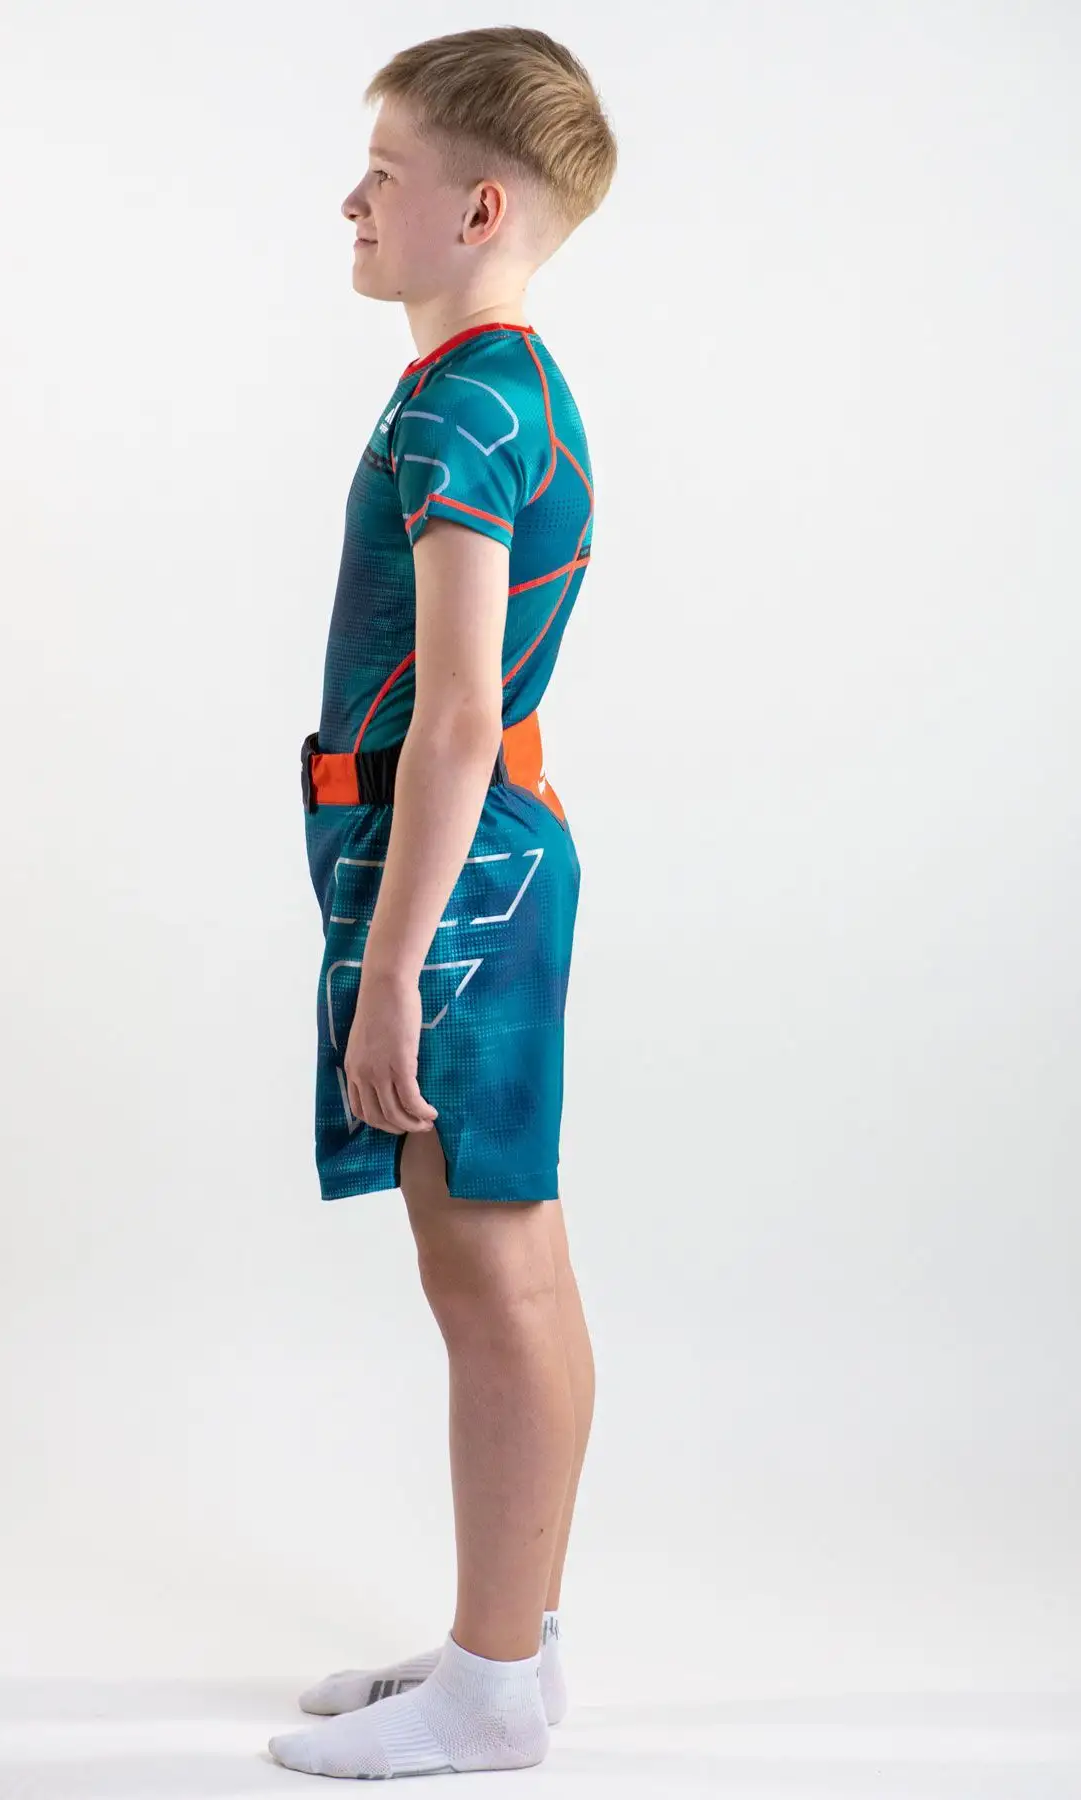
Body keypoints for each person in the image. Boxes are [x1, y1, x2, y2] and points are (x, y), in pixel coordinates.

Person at [272, 26, 617, 1780]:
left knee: (488, 1271)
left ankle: (489, 1689)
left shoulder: (465, 405)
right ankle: (510, 1642)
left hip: (458, 881)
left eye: (384, 174)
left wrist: (395, 964)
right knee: (502, 1260)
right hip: (475, 860)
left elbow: (461, 712)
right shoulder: (495, 389)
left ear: (479, 209)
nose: (351, 200)